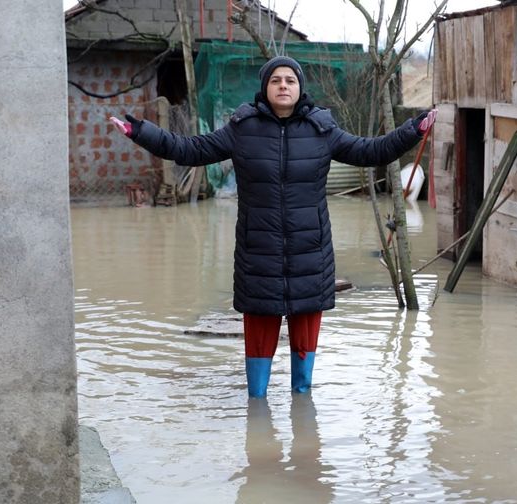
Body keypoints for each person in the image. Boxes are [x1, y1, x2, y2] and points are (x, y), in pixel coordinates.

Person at [111, 55, 437, 398]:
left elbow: (373, 151)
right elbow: (189, 149)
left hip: (310, 256)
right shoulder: (242, 128)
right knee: (257, 383)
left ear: (300, 88)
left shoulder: (322, 129)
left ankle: (303, 423)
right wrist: (140, 132)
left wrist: (413, 129)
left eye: (290, 81)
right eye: (276, 80)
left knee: (303, 382)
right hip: (259, 256)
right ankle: (258, 420)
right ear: (265, 88)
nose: (283, 85)